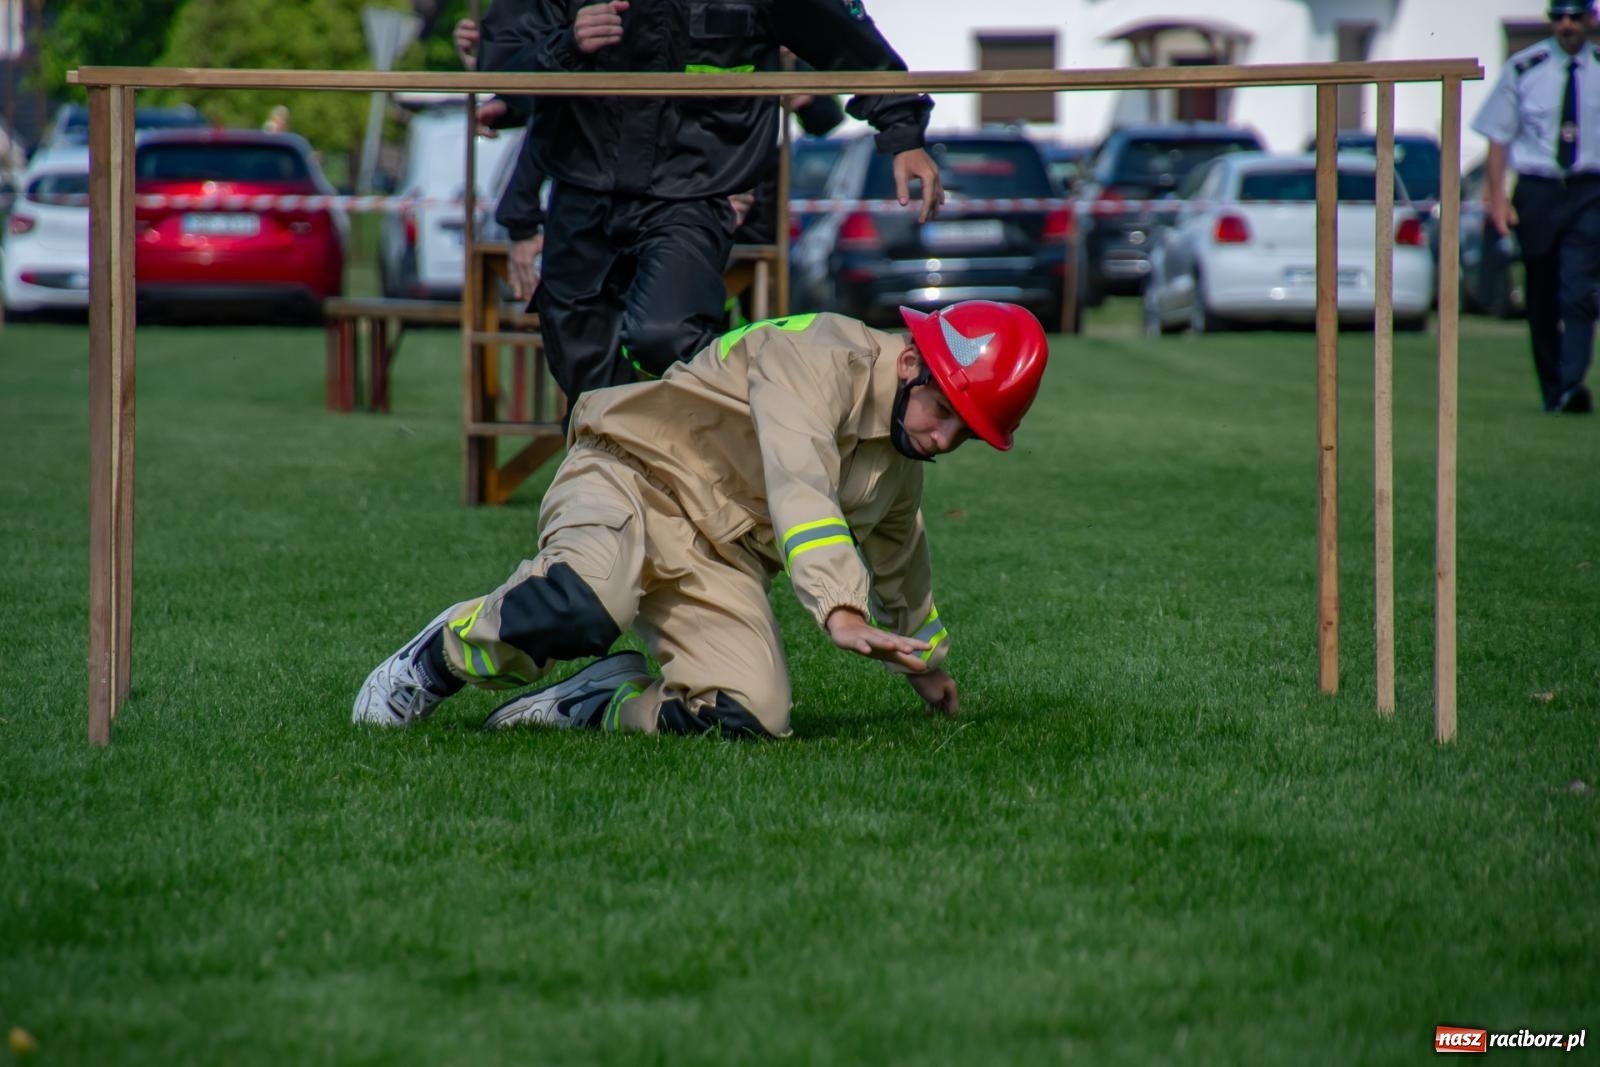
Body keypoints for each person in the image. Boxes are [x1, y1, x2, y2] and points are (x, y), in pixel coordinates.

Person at [352, 300, 1049, 738]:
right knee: (585, 603)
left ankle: (595, 703)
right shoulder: (816, 356)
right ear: (909, 361)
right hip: (629, 474)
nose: (943, 440)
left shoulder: (898, 463)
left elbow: (902, 554)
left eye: (969, 433)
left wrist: (925, 660)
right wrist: (839, 606)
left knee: (750, 716)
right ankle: (443, 654)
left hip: (723, 559)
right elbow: (798, 472)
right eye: (946, 412)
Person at [484, 0, 946, 404]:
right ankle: (616, 470)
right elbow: (503, 66)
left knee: (665, 334)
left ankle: (754, 417)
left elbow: (848, 42)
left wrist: (903, 134)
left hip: (694, 189)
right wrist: (566, 44)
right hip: (581, 187)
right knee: (582, 368)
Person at [1473, 0, 1600, 414]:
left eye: (1575, 17)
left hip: (1588, 189)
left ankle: (1572, 381)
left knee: (1579, 290)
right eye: (1559, 17)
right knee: (1542, 292)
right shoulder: (1526, 68)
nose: (1567, 25)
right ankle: (1554, 388)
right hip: (1538, 189)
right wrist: (1497, 199)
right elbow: (1498, 136)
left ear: (1590, 20)